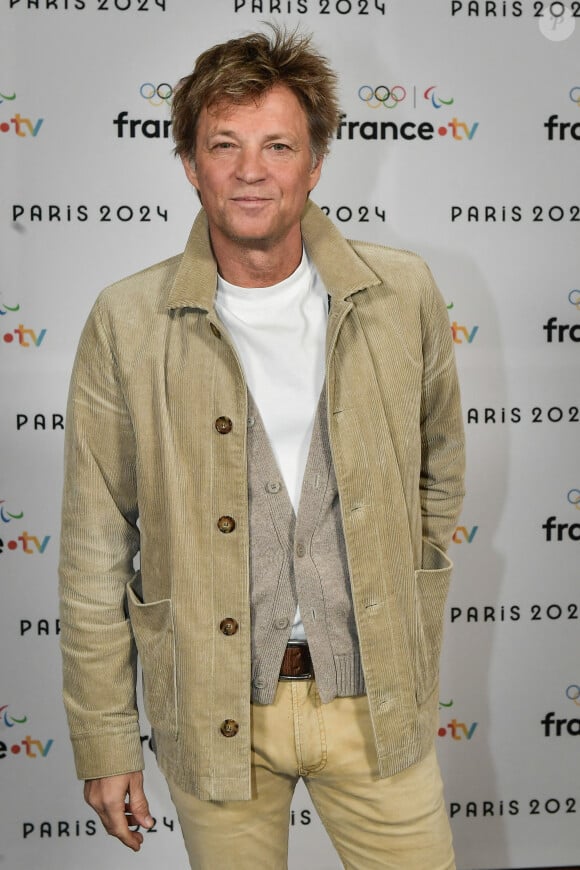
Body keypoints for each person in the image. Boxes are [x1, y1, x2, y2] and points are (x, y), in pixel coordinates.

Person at [59, 25, 465, 870]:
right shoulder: (126, 322)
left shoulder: (402, 294)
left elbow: (441, 470)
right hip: (212, 706)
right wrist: (105, 741)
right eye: (225, 145)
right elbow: (95, 547)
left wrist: (406, 586)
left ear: (314, 163)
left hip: (375, 700)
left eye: (278, 145)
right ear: (189, 163)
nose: (251, 171)